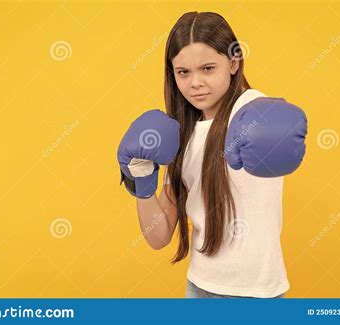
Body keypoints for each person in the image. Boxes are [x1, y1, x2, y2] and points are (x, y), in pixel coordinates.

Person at [117, 11, 307, 298]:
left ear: (233, 62)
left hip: (258, 293)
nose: (195, 83)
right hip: (199, 288)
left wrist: (274, 125)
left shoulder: (253, 112)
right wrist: (141, 180)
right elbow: (159, 236)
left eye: (207, 68)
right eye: (183, 72)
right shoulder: (179, 135)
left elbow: (276, 120)